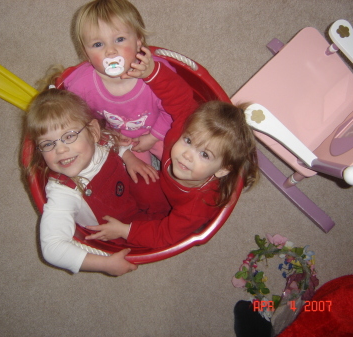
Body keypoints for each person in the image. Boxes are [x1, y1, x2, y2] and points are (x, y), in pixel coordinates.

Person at [85, 53, 259, 248]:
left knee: (153, 215)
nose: (187, 154)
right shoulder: (189, 124)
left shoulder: (199, 205)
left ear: (221, 170)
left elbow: (165, 235)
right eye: (187, 140)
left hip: (178, 203)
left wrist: (124, 231)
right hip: (165, 180)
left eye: (204, 154)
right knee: (137, 178)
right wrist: (152, 72)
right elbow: (179, 94)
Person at [22, 86, 170, 276]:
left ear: (93, 131)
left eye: (69, 136)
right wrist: (104, 264)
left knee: (153, 182)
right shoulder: (63, 192)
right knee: (154, 237)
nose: (60, 150)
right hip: (116, 227)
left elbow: (112, 144)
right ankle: (174, 229)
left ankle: (179, 214)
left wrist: (129, 158)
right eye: (48, 144)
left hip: (129, 190)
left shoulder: (99, 139)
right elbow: (52, 248)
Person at [59, 0, 176, 179]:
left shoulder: (156, 74)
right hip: (122, 142)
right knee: (138, 181)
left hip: (161, 129)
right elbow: (80, 121)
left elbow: (174, 107)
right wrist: (111, 137)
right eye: (98, 44)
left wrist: (153, 136)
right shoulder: (81, 85)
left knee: (182, 163)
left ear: (138, 41)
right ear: (86, 54)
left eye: (119, 39)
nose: (111, 51)